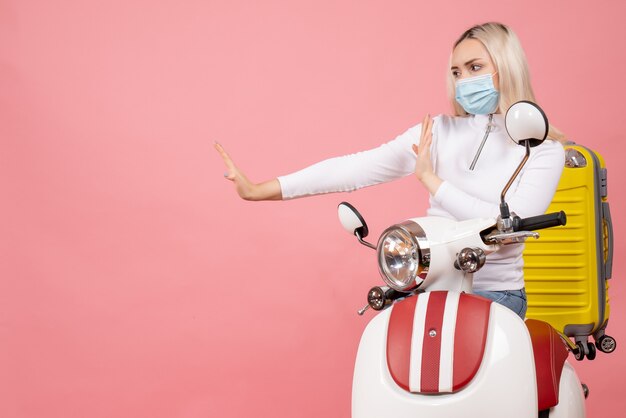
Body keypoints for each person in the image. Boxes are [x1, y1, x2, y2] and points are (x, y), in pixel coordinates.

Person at [214, 22, 565, 319]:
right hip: (428, 286)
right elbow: (356, 168)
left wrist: (432, 181)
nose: (463, 81)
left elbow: (508, 228)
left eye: (475, 68)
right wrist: (259, 190)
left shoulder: (542, 150)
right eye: (456, 72)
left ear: (507, 67)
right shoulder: (439, 131)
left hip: (495, 295)